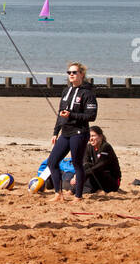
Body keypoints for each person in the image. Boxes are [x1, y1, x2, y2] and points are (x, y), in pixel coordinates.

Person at [48, 61, 98, 200]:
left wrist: (71, 115)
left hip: (79, 132)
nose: (71, 75)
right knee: (52, 161)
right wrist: (55, 132)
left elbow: (91, 116)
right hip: (65, 132)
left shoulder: (87, 93)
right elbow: (60, 113)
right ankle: (58, 193)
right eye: (69, 72)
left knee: (77, 164)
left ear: (81, 74)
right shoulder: (66, 91)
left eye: (74, 72)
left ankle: (78, 196)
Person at [83, 125, 121, 193]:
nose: (90, 138)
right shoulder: (89, 147)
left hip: (112, 180)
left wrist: (83, 174)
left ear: (100, 136)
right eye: (89, 136)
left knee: (95, 170)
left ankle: (77, 189)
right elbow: (85, 162)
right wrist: (78, 175)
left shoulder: (106, 147)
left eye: (93, 136)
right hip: (96, 177)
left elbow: (100, 165)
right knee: (85, 166)